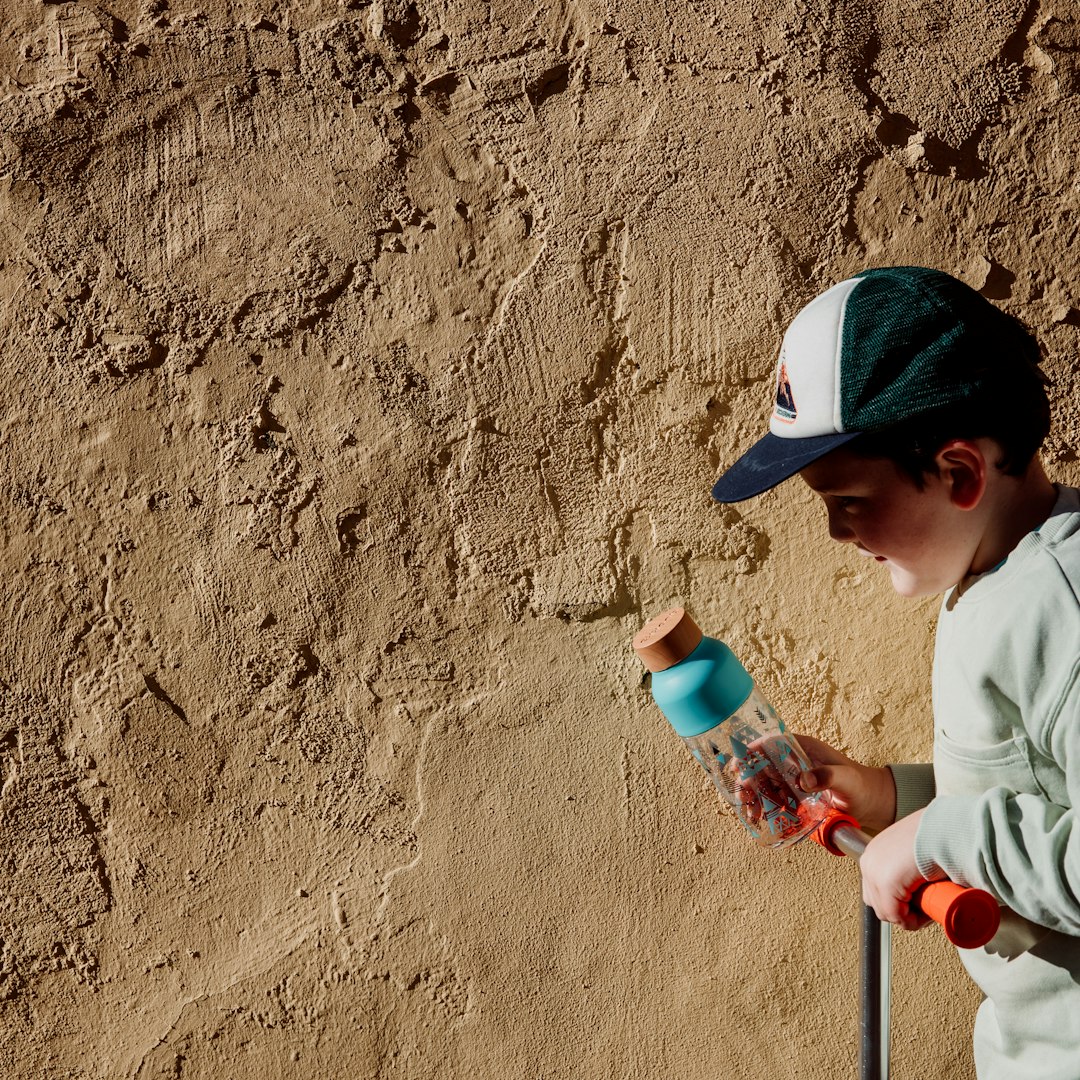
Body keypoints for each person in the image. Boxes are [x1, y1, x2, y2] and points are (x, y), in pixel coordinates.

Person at [710, 266, 1080, 1080]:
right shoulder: (994, 578)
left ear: (959, 473)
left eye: (848, 499)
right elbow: (1039, 797)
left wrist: (942, 840)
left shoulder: (1064, 610)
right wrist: (890, 799)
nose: (838, 532)